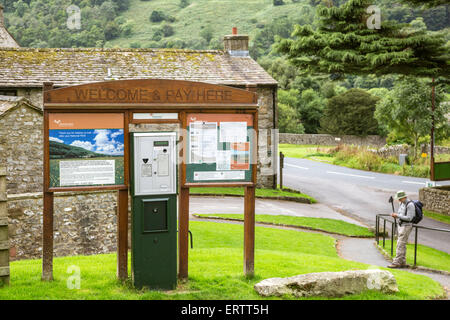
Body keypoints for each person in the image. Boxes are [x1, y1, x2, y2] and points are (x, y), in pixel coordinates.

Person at [387, 190, 416, 268]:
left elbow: (409, 218)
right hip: (401, 225)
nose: (398, 200)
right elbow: (400, 213)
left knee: (400, 244)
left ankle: (396, 262)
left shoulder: (410, 205)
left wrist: (398, 216)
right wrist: (395, 215)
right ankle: (402, 262)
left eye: (400, 198)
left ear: (404, 197)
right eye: (398, 198)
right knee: (401, 244)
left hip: (406, 226)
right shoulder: (401, 203)